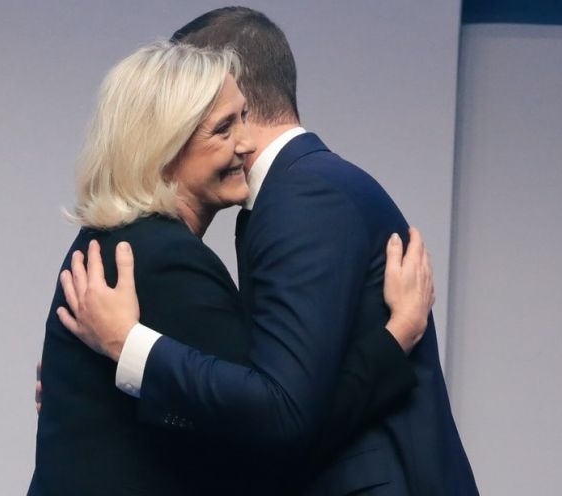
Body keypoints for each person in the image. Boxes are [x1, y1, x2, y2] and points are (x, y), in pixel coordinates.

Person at [58, 7, 478, 496]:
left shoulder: (301, 195)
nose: (236, 141)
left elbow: (282, 410)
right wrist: (89, 390)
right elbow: (277, 404)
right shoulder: (295, 192)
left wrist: (121, 353)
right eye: (220, 126)